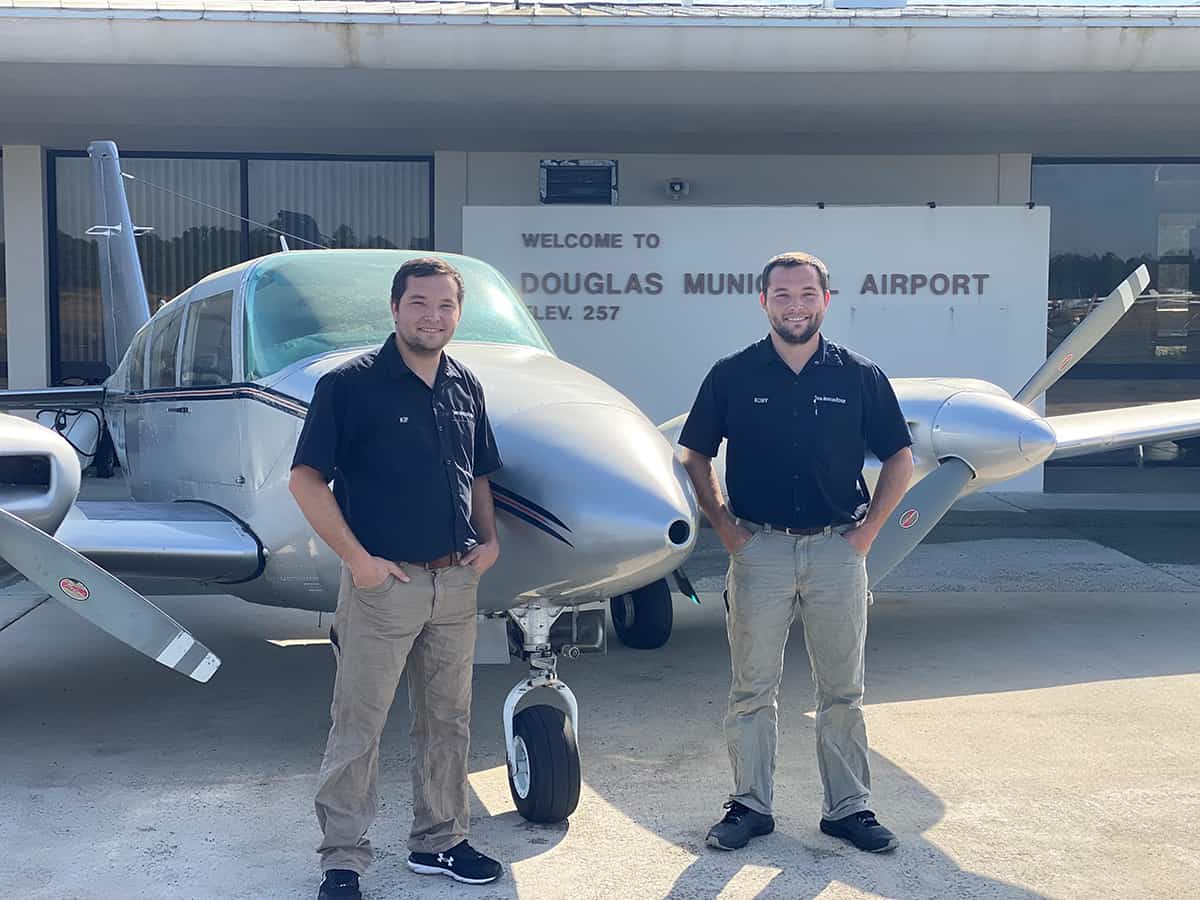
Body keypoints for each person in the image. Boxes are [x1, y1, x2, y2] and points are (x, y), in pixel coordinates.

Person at [678, 251, 914, 854]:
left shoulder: (859, 375)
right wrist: (728, 530)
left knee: (843, 689)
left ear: (826, 301)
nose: (795, 305)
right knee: (751, 689)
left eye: (807, 294)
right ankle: (751, 807)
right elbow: (694, 455)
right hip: (759, 551)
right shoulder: (732, 375)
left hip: (838, 550)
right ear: (763, 302)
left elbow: (900, 459)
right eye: (782, 295)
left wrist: (865, 537)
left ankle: (848, 808)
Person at [289, 257, 505, 898]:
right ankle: (343, 859)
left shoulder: (465, 384)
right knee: (360, 725)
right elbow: (306, 479)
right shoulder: (348, 386)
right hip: (385, 588)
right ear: (394, 308)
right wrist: (359, 562)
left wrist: (489, 541)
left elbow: (481, 472)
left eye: (445, 306)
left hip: (455, 583)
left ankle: (439, 841)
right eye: (420, 304)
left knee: (448, 721)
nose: (433, 317)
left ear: (457, 313)